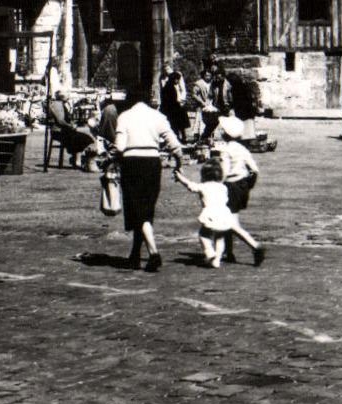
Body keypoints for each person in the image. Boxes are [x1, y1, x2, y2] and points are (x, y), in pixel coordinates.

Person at [113, 85, 185, 271]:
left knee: (137, 210)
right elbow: (174, 144)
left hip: (131, 163)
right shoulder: (158, 116)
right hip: (153, 163)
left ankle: (153, 253)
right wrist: (179, 163)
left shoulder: (125, 117)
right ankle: (135, 254)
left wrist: (111, 159)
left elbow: (120, 147)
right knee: (146, 208)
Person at [175, 158, 265, 268]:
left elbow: (190, 186)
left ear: (204, 175)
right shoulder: (223, 187)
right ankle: (216, 259)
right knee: (220, 237)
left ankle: (210, 253)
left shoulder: (204, 186)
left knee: (204, 235)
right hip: (224, 215)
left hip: (211, 214)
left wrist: (180, 178)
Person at [215, 114, 260, 263]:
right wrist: (249, 184)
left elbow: (225, 171)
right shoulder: (242, 149)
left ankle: (254, 246)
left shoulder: (226, 150)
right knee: (230, 217)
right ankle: (229, 252)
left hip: (230, 186)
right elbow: (254, 169)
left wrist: (217, 186)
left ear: (225, 134)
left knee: (231, 222)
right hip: (242, 186)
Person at [159, 68, 189, 142]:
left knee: (179, 120)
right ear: (174, 79)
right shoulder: (170, 87)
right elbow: (171, 100)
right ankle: (179, 138)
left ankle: (181, 137)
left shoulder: (169, 86)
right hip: (170, 109)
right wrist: (179, 104)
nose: (178, 81)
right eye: (177, 80)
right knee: (177, 122)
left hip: (171, 107)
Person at [191, 63, 216, 142]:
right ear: (203, 76)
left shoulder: (213, 83)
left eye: (209, 75)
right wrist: (202, 102)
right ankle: (198, 137)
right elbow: (194, 94)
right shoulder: (199, 83)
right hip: (201, 105)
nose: (208, 77)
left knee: (211, 121)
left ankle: (209, 137)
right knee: (199, 121)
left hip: (210, 105)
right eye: (206, 75)